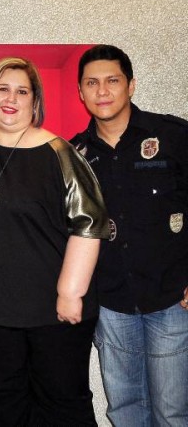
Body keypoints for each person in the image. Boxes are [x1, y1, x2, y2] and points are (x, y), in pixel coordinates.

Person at [0, 57, 109, 425]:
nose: (11, 98)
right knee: (2, 404)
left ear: (35, 103)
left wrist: (70, 293)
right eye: (3, 89)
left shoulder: (61, 154)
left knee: (63, 405)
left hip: (53, 312)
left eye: (22, 91)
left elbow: (90, 225)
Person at [70, 44, 188, 426]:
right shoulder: (74, 155)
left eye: (112, 81)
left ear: (131, 85)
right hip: (111, 304)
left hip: (171, 300)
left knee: (172, 412)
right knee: (123, 411)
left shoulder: (172, 136)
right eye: (92, 83)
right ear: (81, 92)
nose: (102, 91)